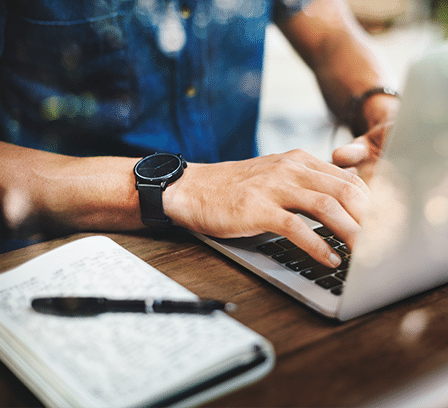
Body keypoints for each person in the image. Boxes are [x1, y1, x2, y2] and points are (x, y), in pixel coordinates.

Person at [0, 0, 400, 267]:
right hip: (59, 257)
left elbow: (331, 34)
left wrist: (380, 106)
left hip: (250, 239)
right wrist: (184, 188)